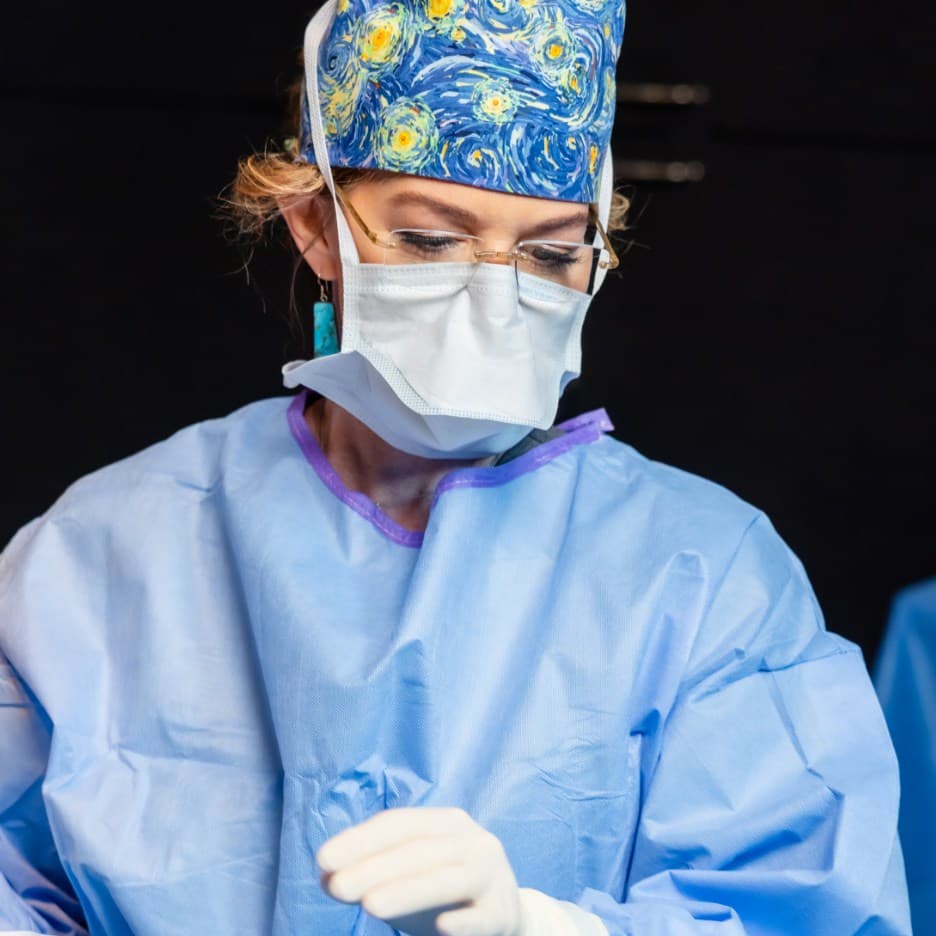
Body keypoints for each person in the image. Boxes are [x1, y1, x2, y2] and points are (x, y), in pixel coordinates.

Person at [0, 0, 911, 933]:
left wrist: (547, 930)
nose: (492, 294)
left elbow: (800, 904)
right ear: (317, 227)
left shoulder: (708, 579)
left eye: (551, 254)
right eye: (431, 241)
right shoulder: (103, 553)